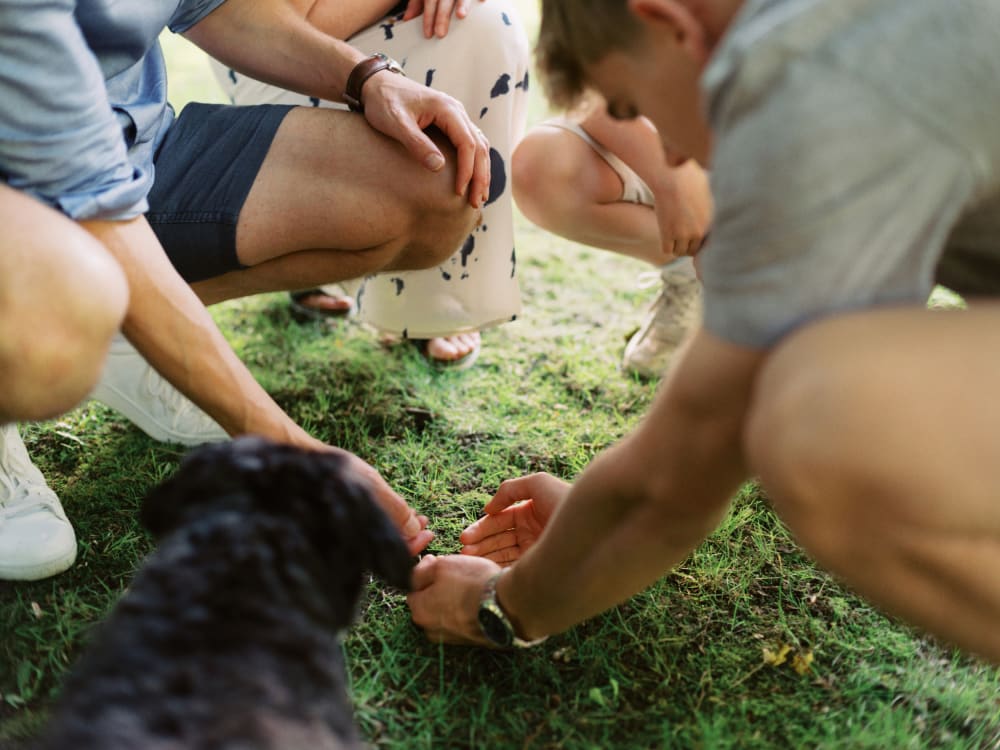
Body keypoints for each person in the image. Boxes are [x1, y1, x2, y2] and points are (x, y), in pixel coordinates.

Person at [406, 0, 1000, 664]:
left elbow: (680, 469)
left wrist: (502, 604)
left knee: (821, 420)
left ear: (669, 23)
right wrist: (593, 524)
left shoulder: (809, 79)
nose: (669, 153)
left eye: (634, 108)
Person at [0, 0, 498, 579]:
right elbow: (91, 203)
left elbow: (212, 8)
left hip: (135, 153)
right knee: (68, 299)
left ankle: (124, 335)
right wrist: (285, 449)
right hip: (30, 194)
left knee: (435, 184)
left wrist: (368, 77)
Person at [212, 0, 530, 369]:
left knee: (487, 22)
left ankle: (435, 291)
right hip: (279, 57)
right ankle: (315, 238)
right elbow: (289, 26)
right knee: (479, 25)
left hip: (371, 36)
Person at [512, 98, 711, 378]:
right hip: (679, 137)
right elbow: (584, 90)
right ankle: (687, 272)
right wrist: (672, 181)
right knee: (542, 162)